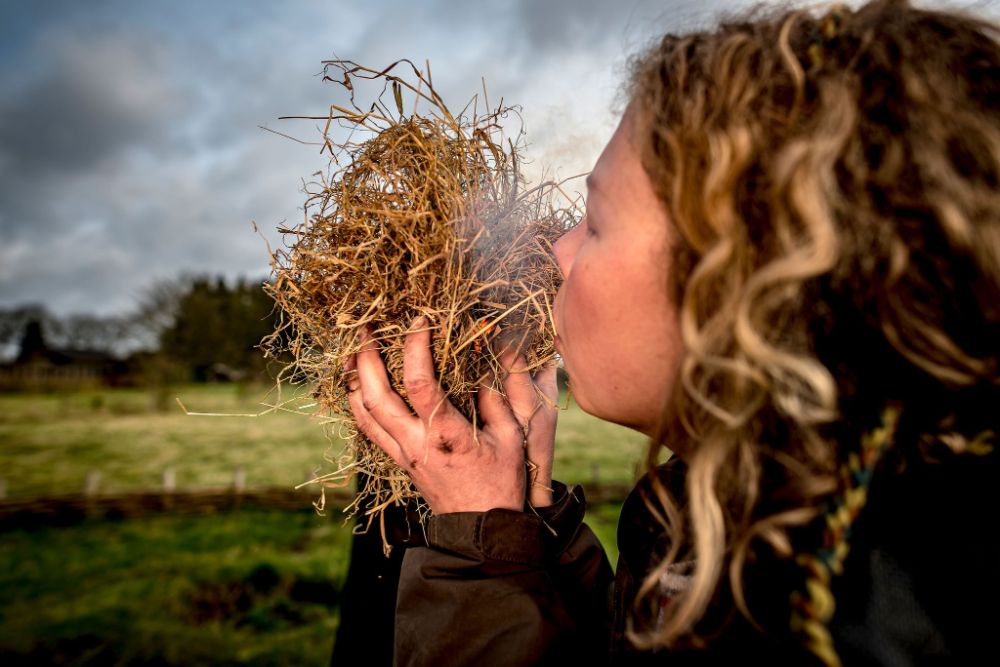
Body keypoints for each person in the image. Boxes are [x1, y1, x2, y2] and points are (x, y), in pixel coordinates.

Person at [344, 0, 1000, 664]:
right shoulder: (721, 520)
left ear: (734, 287)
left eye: (595, 223)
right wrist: (523, 521)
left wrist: (475, 554)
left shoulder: (850, 622)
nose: (554, 255)